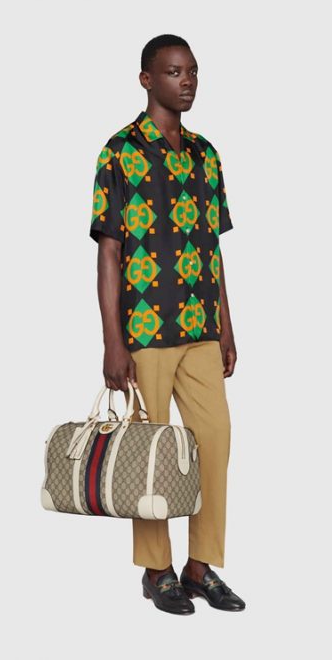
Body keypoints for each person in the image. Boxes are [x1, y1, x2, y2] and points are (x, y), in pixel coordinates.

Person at [89, 34, 245, 614]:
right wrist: (113, 341)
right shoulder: (119, 152)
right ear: (147, 80)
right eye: (175, 72)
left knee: (214, 442)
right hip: (144, 330)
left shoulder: (206, 153)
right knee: (147, 454)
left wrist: (227, 326)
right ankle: (157, 571)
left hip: (201, 326)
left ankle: (200, 567)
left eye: (193, 71)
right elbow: (109, 251)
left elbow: (212, 246)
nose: (187, 81)